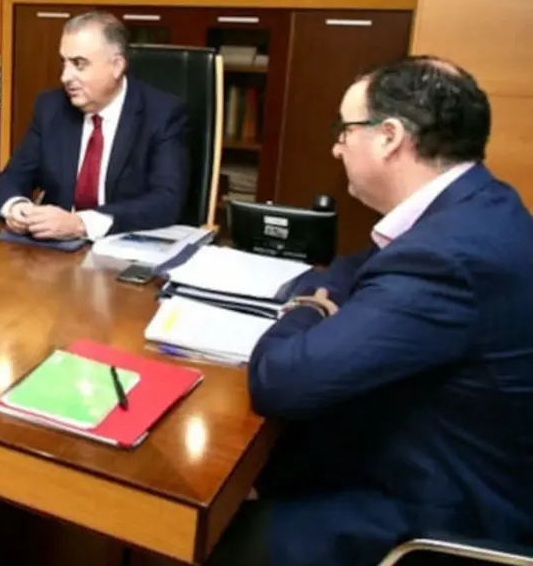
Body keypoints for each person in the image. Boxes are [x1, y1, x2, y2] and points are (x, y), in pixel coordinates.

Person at [209, 57, 533, 566]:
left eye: (344, 129)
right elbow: (355, 267)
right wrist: (325, 293)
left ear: (389, 137)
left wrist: (305, 307)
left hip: (438, 513)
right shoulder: (476, 203)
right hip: (424, 458)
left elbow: (281, 380)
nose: (336, 146)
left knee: (210, 539)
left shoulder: (449, 254)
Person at [0, 11, 188, 240]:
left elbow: (166, 201)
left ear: (117, 66)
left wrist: (81, 224)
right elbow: (12, 178)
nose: (65, 76)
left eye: (79, 64)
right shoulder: (51, 107)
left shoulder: (162, 114)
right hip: (53, 253)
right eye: (64, 63)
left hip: (124, 248)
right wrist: (17, 208)